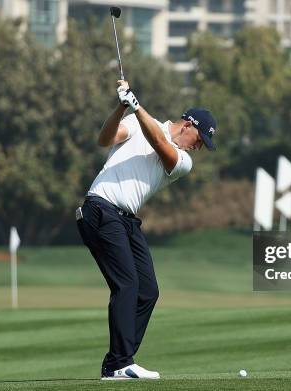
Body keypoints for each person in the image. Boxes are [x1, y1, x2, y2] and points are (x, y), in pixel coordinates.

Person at [76, 80, 217, 380]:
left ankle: (120, 360)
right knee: (127, 285)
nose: (199, 146)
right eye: (201, 138)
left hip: (125, 220)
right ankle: (119, 363)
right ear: (188, 124)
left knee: (148, 291)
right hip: (100, 209)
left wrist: (137, 107)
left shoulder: (183, 161)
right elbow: (106, 139)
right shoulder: (138, 122)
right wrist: (121, 107)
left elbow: (160, 144)